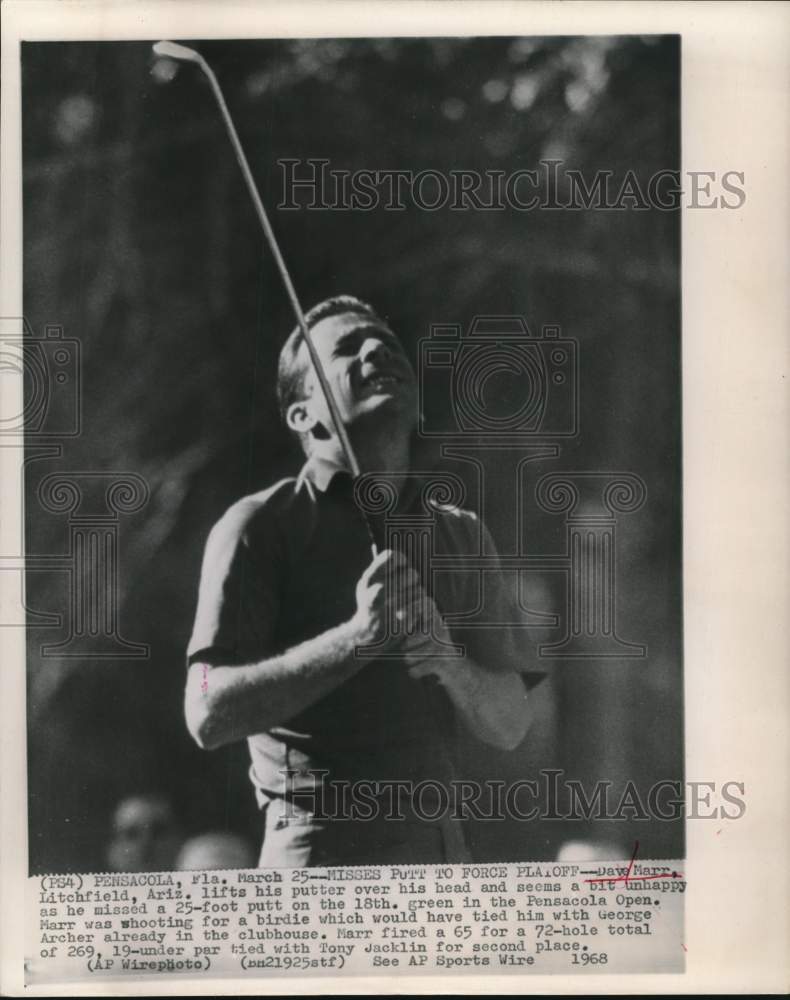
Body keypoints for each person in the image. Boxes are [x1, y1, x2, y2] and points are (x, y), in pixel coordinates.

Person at [185, 295, 542, 866]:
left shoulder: (462, 534)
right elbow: (206, 714)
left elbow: (511, 724)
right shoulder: (257, 527)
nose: (377, 349)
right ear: (303, 415)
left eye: (388, 344)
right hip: (317, 872)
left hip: (444, 872)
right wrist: (357, 638)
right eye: (347, 349)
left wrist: (450, 662)